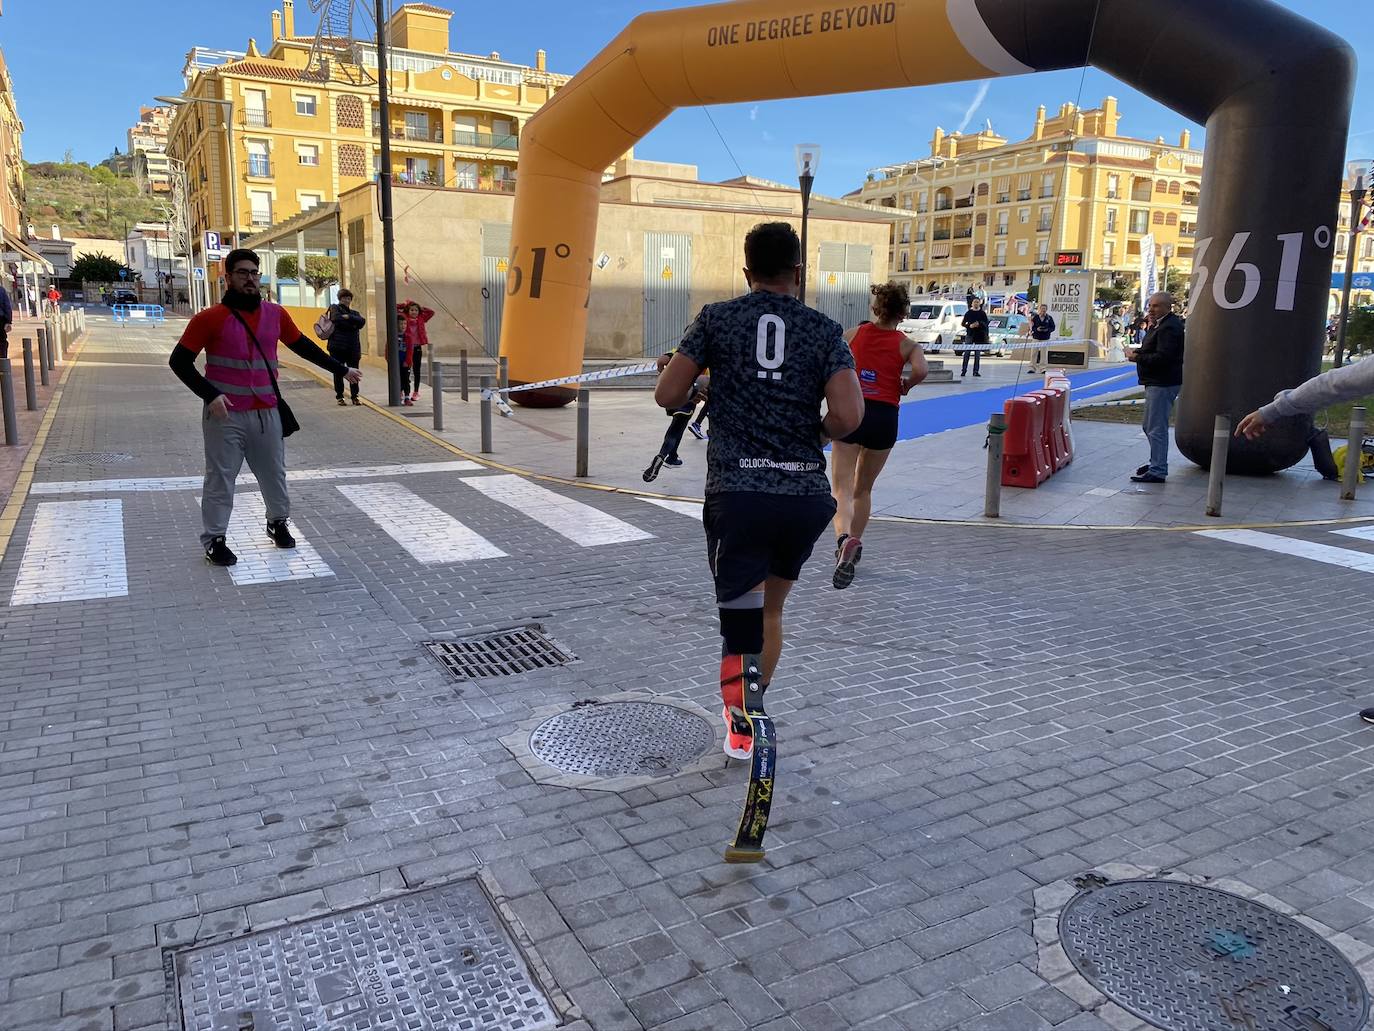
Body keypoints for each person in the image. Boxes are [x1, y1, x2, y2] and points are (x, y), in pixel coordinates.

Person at [653, 222, 863, 759]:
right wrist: (814, 434)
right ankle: (753, 705)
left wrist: (701, 383)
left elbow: (668, 394)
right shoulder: (824, 330)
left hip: (739, 492)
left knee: (740, 619)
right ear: (799, 271)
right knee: (770, 612)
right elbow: (849, 416)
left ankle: (743, 728)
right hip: (803, 496)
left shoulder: (716, 318)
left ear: (747, 271)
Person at [169, 248, 362, 567]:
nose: (249, 279)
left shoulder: (275, 314)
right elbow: (179, 361)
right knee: (220, 478)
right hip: (225, 416)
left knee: (274, 473)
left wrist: (341, 370)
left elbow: (303, 346)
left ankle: (277, 523)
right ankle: (214, 539)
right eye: (242, 273)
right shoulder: (209, 318)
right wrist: (210, 394)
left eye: (254, 273)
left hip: (267, 413)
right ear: (228, 278)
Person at [830, 282, 928, 589]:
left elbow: (833, 361)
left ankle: (843, 539)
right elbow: (921, 370)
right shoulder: (908, 345)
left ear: (876, 308)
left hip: (853, 411)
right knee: (863, 489)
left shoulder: (854, 334)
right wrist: (906, 385)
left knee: (842, 489)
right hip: (885, 417)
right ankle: (855, 543)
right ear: (903, 313)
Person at [1126, 291, 1185, 483]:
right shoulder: (1160, 325)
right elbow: (1153, 350)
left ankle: (1158, 469)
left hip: (1162, 382)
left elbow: (1163, 358)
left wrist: (1137, 357)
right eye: (1150, 305)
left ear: (1168, 307)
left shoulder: (1169, 328)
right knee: (1149, 426)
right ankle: (1156, 462)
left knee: (1156, 428)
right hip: (1157, 381)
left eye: (1156, 306)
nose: (1151, 309)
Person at [324, 288, 367, 406]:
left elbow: (362, 322)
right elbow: (336, 319)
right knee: (338, 372)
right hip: (337, 347)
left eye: (348, 298)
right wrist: (352, 324)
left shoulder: (354, 313)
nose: (347, 301)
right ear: (340, 299)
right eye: (344, 298)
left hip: (353, 348)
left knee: (354, 373)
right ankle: (340, 396)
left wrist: (348, 317)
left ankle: (355, 396)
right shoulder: (334, 308)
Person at [397, 300, 433, 406]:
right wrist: (404, 305)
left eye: (416, 310)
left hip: (417, 348)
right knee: (405, 371)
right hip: (407, 347)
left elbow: (431, 312)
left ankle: (416, 392)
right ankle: (402, 391)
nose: (414, 312)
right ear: (408, 311)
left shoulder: (421, 318)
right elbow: (394, 308)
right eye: (412, 310)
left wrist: (421, 308)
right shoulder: (405, 318)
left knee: (417, 370)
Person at [960, 297, 990, 378]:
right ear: (972, 303)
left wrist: (979, 324)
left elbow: (986, 324)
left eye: (977, 302)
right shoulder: (968, 313)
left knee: (977, 355)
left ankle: (976, 371)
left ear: (979, 303)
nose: (976, 303)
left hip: (979, 336)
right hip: (970, 335)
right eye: (974, 302)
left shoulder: (982, 313)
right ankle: (964, 370)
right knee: (967, 353)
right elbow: (963, 323)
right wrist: (969, 326)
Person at [0, 278, 11, 361]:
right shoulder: (1, 290)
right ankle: (3, 362)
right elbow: (7, 306)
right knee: (2, 342)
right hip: (1, 320)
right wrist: (8, 321)